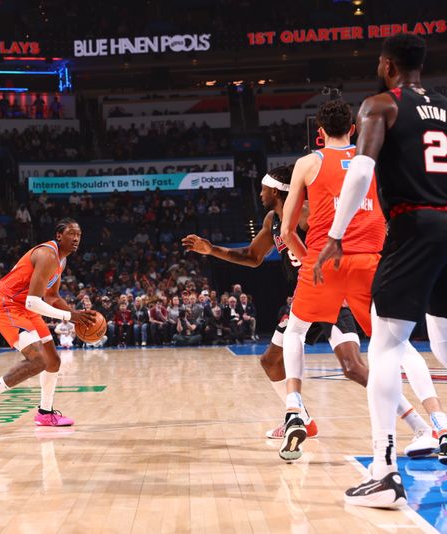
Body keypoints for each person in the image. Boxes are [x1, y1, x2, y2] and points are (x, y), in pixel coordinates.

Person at [182, 164, 435, 456]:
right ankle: (301, 418)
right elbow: (252, 257)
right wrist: (211, 249)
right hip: (307, 296)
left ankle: (419, 425)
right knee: (271, 360)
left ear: (276, 190)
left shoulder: (310, 213)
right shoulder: (271, 219)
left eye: (263, 187)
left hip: (331, 291)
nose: (260, 192)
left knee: (353, 368)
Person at [314, 34, 447, 507]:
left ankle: (385, 472)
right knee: (445, 344)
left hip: (415, 225)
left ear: (388, 65)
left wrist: (335, 234)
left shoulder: (380, 106)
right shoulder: (446, 109)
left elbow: (362, 170)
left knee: (387, 344)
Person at [280, 98, 438, 462]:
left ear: (319, 133)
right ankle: (431, 423)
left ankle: (293, 403)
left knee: (297, 332)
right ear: (353, 128)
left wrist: (309, 263)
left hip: (324, 259)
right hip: (369, 260)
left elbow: (288, 229)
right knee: (394, 345)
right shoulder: (375, 162)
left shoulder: (308, 163)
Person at [0, 218, 96, 427]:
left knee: (53, 361)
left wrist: (75, 313)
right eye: (71, 234)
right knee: (38, 360)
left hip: (26, 306)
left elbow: (52, 296)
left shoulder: (61, 260)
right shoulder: (47, 255)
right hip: (6, 303)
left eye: (79, 235)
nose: (76, 239)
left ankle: (45, 413)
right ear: (59, 236)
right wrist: (70, 317)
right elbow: (34, 301)